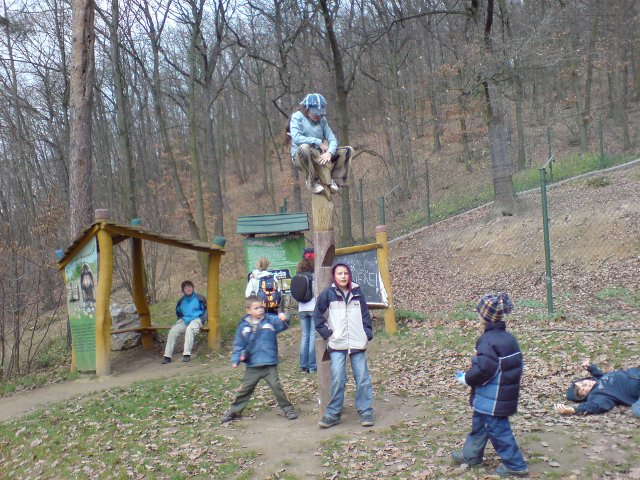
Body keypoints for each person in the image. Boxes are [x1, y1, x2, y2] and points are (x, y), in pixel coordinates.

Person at [451, 292, 529, 477]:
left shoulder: (487, 341)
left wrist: (467, 378)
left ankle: (515, 466)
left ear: (484, 316)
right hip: (499, 396)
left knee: (499, 432)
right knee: (479, 425)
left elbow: (484, 370)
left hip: (492, 399)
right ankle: (471, 455)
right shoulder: (508, 338)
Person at [220, 295, 298, 423]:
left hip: (269, 363)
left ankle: (288, 409)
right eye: (256, 308)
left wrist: (285, 317)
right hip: (253, 365)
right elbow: (238, 344)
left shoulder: (270, 320)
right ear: (248, 310)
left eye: (261, 307)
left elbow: (283, 324)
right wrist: (235, 359)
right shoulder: (244, 326)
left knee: (276, 387)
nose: (260, 310)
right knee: (245, 389)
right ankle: (234, 410)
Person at [314, 263, 374, 428]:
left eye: (345, 273)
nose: (343, 276)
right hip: (337, 342)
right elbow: (317, 315)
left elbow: (365, 315)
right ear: (334, 276)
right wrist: (327, 334)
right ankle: (333, 413)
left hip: (357, 342)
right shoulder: (328, 294)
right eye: (339, 273)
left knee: (362, 378)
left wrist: (367, 333)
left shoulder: (357, 293)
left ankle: (365, 411)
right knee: (338, 378)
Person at [288, 93, 352, 195]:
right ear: (307, 109)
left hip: (319, 153)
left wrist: (329, 153)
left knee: (347, 150)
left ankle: (335, 181)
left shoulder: (322, 120)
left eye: (320, 114)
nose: (318, 116)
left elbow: (332, 139)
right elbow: (296, 138)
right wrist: (318, 142)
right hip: (302, 156)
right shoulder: (297, 117)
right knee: (304, 148)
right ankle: (311, 180)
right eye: (315, 114)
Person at [554, 360, 640, 417]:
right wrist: (574, 410)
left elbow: (599, 375)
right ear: (584, 396)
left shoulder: (599, 379)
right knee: (636, 410)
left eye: (582, 382)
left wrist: (590, 367)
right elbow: (594, 406)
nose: (585, 384)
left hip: (636, 372)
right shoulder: (597, 395)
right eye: (582, 389)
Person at [161, 280, 207, 364]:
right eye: (186, 288)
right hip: (185, 320)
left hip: (197, 319)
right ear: (183, 290)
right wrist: (181, 319)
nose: (188, 289)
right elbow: (178, 312)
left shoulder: (199, 298)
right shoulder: (181, 301)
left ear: (193, 288)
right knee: (173, 331)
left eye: (190, 287)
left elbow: (206, 310)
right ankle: (167, 356)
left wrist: (202, 319)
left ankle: (186, 354)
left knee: (190, 329)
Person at [296, 252, 316, 373]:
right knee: (313, 336)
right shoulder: (315, 276)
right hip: (313, 307)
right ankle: (312, 366)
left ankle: (304, 366)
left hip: (302, 308)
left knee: (305, 336)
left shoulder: (298, 275)